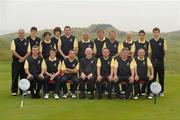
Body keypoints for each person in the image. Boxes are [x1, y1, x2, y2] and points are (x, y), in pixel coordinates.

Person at [11, 29, 30, 96]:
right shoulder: (14, 41)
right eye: (20, 33)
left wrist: (23, 58)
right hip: (16, 61)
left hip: (24, 62)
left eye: (22, 33)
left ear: (24, 34)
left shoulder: (27, 41)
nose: (21, 34)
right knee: (15, 76)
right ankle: (14, 91)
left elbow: (29, 52)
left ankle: (23, 91)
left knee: (24, 76)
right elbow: (13, 51)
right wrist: (20, 58)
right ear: (18, 34)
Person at [149, 27, 167, 97]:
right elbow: (150, 52)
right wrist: (150, 62)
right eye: (154, 32)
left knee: (161, 77)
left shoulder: (163, 40)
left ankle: (161, 91)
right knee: (153, 77)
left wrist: (161, 59)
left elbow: (164, 51)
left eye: (157, 32)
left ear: (159, 33)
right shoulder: (151, 41)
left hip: (160, 62)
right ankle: (152, 91)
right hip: (153, 62)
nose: (156, 33)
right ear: (153, 33)